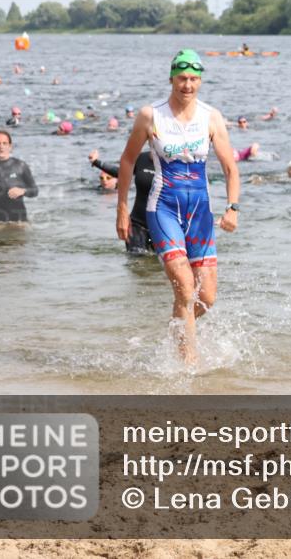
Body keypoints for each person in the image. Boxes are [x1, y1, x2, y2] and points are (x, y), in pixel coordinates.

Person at [116, 49, 240, 365]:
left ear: (200, 81)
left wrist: (233, 207)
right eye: (182, 78)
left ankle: (177, 330)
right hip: (163, 208)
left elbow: (230, 167)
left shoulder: (211, 117)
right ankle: (189, 363)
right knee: (185, 288)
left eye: (194, 79)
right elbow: (128, 160)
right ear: (171, 78)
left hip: (199, 211)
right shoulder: (150, 115)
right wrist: (121, 209)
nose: (187, 85)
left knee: (207, 298)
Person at [89, 149, 155, 252]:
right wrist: (96, 162)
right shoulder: (142, 158)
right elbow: (121, 172)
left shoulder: (179, 162)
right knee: (137, 261)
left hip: (165, 226)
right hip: (137, 224)